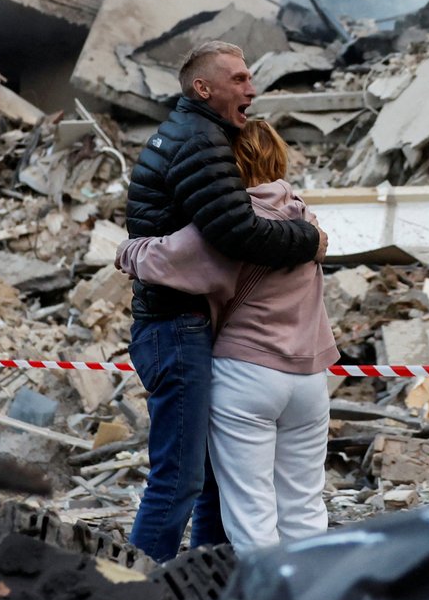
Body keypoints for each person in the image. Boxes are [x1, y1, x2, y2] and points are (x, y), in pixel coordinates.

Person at [124, 41, 327, 563]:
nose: (251, 89)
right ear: (202, 87)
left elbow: (193, 246)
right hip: (183, 329)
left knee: (218, 488)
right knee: (190, 481)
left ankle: (201, 583)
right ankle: (135, 589)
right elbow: (233, 233)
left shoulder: (198, 139)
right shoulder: (202, 144)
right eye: (239, 79)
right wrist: (312, 240)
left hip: (219, 350)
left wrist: (130, 251)